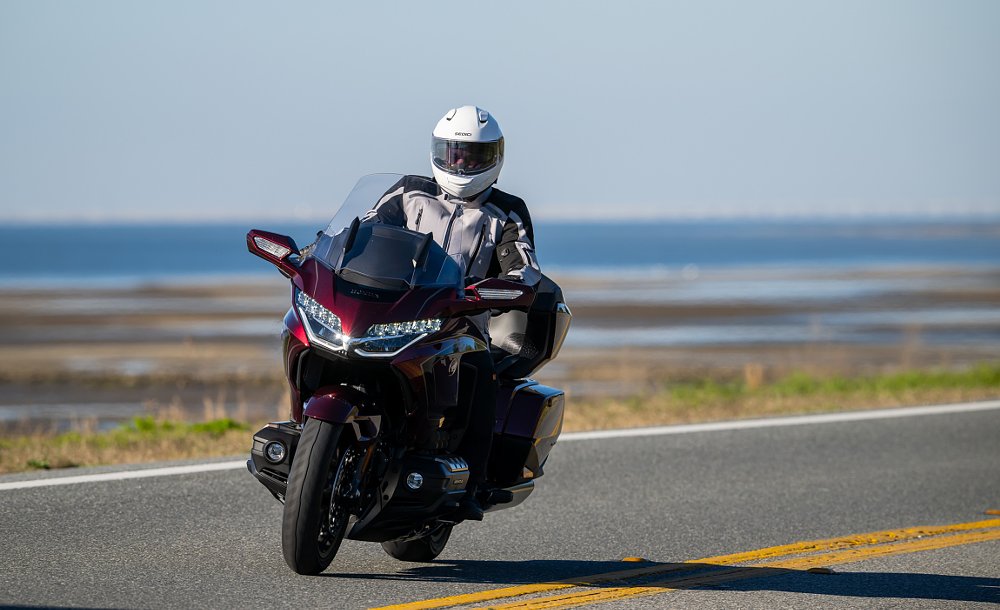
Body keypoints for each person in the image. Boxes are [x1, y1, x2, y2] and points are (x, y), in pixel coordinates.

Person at [363, 105, 541, 520]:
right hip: (394, 312)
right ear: (438, 151)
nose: (461, 163)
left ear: (494, 158)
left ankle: (474, 484)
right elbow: (364, 228)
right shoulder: (409, 191)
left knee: (480, 372)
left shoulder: (507, 211)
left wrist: (516, 282)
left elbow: (523, 264)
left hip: (460, 320)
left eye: (472, 156)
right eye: (453, 153)